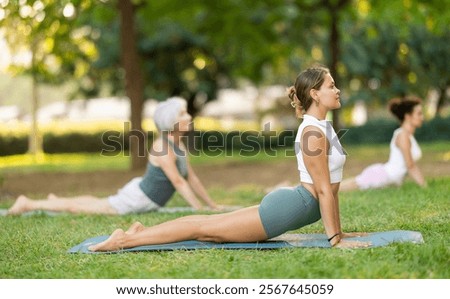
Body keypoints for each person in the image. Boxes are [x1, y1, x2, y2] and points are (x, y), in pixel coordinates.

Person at [88, 66, 370, 252]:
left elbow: (331, 187)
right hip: (289, 208)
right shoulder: (312, 132)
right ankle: (125, 239)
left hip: (294, 205)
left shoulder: (322, 127)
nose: (337, 90)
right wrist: (335, 240)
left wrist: (341, 233)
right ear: (315, 94)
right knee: (205, 230)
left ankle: (140, 231)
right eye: (331, 86)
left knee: (206, 226)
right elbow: (322, 189)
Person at [7, 98, 221, 215]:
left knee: (99, 202)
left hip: (140, 197)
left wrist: (211, 205)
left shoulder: (178, 144)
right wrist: (199, 211)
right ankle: (29, 204)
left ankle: (57, 200)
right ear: (171, 121)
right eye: (182, 113)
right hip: (136, 200)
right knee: (77, 209)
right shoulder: (162, 147)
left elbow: (191, 178)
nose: (189, 116)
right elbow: (178, 181)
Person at [339, 96, 426, 192]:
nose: (422, 117)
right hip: (383, 176)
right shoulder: (403, 136)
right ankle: (323, 190)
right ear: (407, 116)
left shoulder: (407, 135)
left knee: (354, 184)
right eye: (419, 114)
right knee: (350, 185)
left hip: (387, 178)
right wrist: (424, 187)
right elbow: (410, 165)